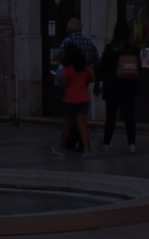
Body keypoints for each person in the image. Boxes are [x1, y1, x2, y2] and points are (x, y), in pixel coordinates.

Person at [99, 21, 141, 152]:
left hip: (112, 86)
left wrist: (98, 81)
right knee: (129, 116)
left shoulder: (110, 48)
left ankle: (106, 143)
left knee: (111, 116)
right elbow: (139, 67)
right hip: (129, 87)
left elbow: (102, 66)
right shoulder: (133, 49)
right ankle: (132, 144)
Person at [55, 43, 92, 155]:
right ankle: (86, 149)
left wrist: (58, 77)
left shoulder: (67, 69)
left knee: (67, 125)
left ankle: (62, 147)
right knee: (82, 125)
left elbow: (63, 83)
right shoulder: (85, 68)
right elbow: (92, 78)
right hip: (83, 98)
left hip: (70, 99)